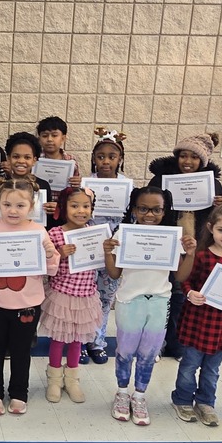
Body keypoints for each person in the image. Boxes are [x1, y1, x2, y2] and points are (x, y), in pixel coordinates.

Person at [103, 186, 196, 426]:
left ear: (165, 211)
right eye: (143, 209)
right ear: (134, 209)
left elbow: (181, 276)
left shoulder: (170, 239)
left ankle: (140, 396)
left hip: (159, 301)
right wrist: (108, 253)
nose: (149, 215)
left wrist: (191, 254)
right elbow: (114, 274)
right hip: (129, 301)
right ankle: (122, 393)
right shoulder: (124, 235)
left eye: (156, 210)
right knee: (125, 351)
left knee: (148, 353)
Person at [0, 179, 60, 416]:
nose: (13, 210)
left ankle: (19, 392)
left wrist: (51, 254)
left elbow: (51, 270)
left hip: (28, 303)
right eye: (7, 204)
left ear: (31, 207)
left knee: (21, 351)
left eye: (20, 205)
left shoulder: (39, 231)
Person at [147, 132, 222, 359]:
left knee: (182, 296)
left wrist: (217, 205)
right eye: (183, 156)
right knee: (162, 293)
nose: (187, 162)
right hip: (166, 244)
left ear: (202, 161)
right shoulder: (161, 179)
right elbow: (149, 207)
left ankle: (177, 343)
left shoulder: (213, 185)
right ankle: (156, 342)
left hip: (194, 248)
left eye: (193, 157)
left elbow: (217, 222)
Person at [171, 202, 222, 427]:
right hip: (199, 321)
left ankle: (206, 402)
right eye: (221, 230)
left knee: (212, 368)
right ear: (210, 228)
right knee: (189, 364)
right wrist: (190, 294)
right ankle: (183, 399)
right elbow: (186, 281)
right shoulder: (203, 256)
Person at [40, 187, 102, 404]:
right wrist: (59, 254)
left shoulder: (95, 232)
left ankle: (73, 379)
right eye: (74, 206)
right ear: (63, 208)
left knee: (77, 341)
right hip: (62, 295)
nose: (80, 211)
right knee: (58, 340)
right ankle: (54, 380)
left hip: (86, 296)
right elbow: (46, 267)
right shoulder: (55, 234)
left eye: (86, 206)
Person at [84, 128, 128, 365]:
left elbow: (132, 219)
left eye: (112, 156)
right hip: (88, 250)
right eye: (101, 156)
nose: (106, 161)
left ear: (119, 159)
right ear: (94, 158)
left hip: (114, 252)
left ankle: (97, 341)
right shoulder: (86, 185)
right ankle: (80, 340)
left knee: (105, 298)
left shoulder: (127, 186)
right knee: (84, 295)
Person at [0, 132, 55, 232]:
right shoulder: (0, 186)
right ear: (8, 158)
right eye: (16, 156)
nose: (21, 161)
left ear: (34, 160)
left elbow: (47, 223)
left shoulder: (43, 186)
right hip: (4, 237)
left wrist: (55, 211)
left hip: (31, 238)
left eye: (27, 157)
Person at [36, 116, 83, 196]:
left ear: (63, 138)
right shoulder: (35, 159)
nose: (49, 139)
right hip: (39, 203)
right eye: (44, 136)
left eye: (54, 135)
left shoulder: (71, 161)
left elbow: (75, 191)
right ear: (39, 138)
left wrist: (78, 183)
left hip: (63, 205)